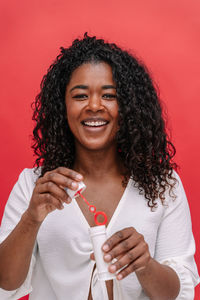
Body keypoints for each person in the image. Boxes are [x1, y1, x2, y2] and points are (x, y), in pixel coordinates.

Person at [0, 33, 199, 300]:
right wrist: (31, 218)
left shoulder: (163, 185)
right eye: (80, 96)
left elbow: (177, 293)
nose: (94, 106)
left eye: (109, 95)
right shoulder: (35, 185)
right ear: (63, 106)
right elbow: (7, 283)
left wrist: (145, 265)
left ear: (128, 107)